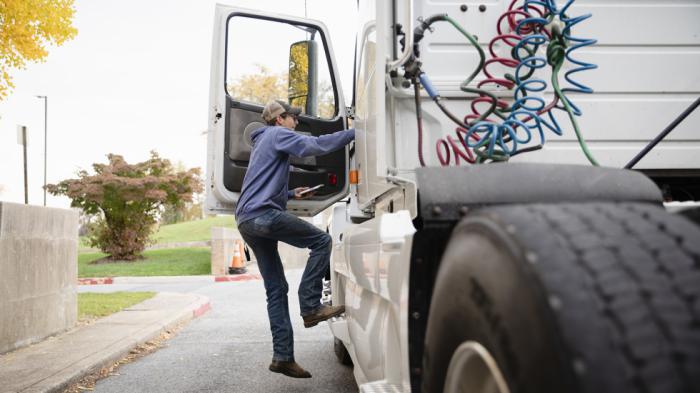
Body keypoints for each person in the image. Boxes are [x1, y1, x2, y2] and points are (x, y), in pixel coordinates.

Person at [235, 100, 355, 379]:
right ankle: (311, 306)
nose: (296, 123)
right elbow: (315, 146)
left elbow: (259, 186)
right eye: (293, 118)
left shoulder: (263, 142)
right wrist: (356, 132)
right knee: (322, 242)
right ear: (279, 119)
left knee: (276, 289)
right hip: (263, 215)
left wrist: (291, 194)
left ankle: (283, 357)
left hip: (247, 220)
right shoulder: (278, 135)